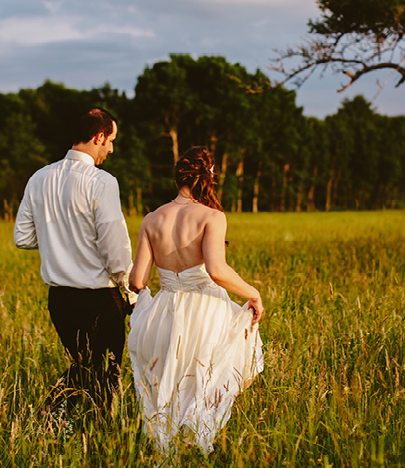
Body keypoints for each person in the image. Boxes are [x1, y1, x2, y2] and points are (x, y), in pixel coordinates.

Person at [127, 146, 264, 453]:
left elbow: (137, 281)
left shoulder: (151, 219)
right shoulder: (212, 216)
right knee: (205, 378)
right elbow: (217, 270)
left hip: (165, 308)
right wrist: (252, 293)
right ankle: (201, 446)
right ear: (208, 177)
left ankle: (168, 448)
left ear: (178, 178)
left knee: (170, 382)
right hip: (205, 309)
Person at [14, 107, 133, 416]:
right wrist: (131, 291)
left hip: (60, 300)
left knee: (83, 368)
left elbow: (23, 237)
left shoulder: (39, 178)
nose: (111, 148)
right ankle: (62, 421)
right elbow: (115, 247)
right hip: (99, 299)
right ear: (99, 136)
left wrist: (60, 237)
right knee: (105, 378)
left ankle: (57, 425)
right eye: (110, 140)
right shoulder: (102, 182)